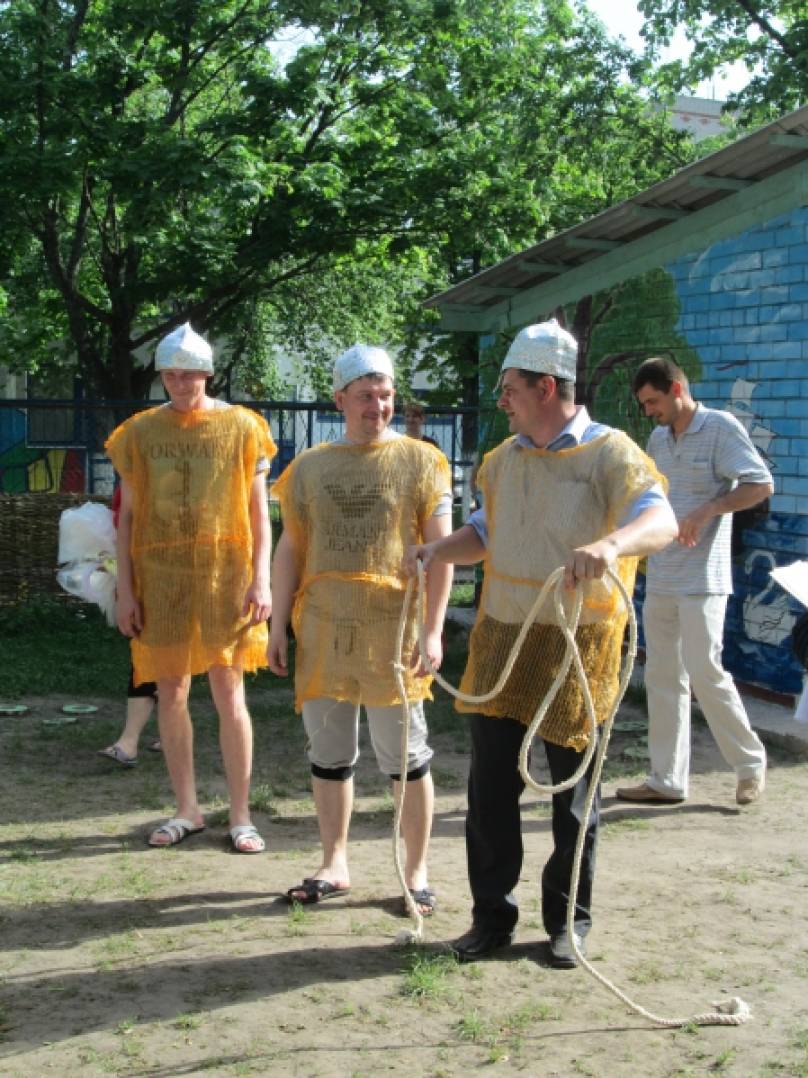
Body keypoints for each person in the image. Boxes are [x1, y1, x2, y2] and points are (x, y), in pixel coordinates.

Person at [404, 320, 677, 967]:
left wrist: (610, 545)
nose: (502, 400)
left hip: (582, 648)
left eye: (511, 388)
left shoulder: (613, 455)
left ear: (547, 386)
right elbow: (484, 533)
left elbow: (660, 519)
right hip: (505, 642)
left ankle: (567, 923)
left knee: (572, 797)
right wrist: (437, 550)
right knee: (490, 792)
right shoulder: (503, 462)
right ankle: (490, 918)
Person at [268, 344, 453, 914]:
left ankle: (415, 871)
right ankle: (334, 861)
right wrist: (279, 625)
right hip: (325, 630)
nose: (378, 406)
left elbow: (441, 552)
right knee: (329, 751)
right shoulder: (309, 469)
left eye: (386, 395)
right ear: (340, 400)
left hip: (394, 631)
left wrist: (433, 629)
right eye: (366, 396)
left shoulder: (424, 462)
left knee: (404, 754)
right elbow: (291, 549)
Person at [106, 322, 276, 851]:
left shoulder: (244, 427)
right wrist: (126, 590)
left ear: (208, 373)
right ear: (162, 376)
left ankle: (241, 814)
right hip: (162, 581)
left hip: (227, 577)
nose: (181, 384)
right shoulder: (138, 433)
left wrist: (261, 579)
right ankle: (187, 809)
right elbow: (129, 519)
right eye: (171, 375)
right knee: (171, 691)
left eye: (191, 375)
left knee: (230, 692)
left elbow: (259, 514)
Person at [615, 357, 772, 808]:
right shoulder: (658, 438)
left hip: (704, 577)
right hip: (662, 574)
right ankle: (666, 778)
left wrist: (707, 511)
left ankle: (749, 765)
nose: (649, 411)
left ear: (678, 388)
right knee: (662, 675)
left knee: (705, 669)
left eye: (654, 401)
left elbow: (760, 484)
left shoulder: (720, 427)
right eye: (644, 404)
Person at [97, 484, 160, 767]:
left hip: (166, 573)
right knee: (152, 657)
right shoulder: (131, 469)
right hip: (139, 573)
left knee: (152, 657)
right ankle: (163, 733)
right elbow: (123, 522)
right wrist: (123, 582)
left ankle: (129, 741)